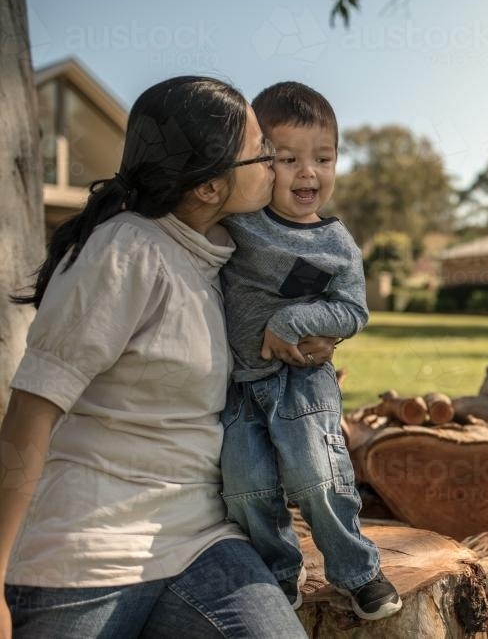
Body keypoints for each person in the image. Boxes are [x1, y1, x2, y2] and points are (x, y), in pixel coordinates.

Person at [0, 76, 336, 638]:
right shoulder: (125, 251)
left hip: (199, 537)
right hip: (87, 547)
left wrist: (311, 336)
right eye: (264, 155)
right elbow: (30, 413)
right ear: (207, 188)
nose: (280, 167)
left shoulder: (224, 253)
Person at [218, 82, 401, 621]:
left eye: (323, 158)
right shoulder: (239, 221)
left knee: (318, 476)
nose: (308, 173)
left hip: (302, 379)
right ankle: (276, 569)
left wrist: (292, 320)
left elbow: (353, 311)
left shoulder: (336, 244)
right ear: (260, 162)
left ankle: (357, 571)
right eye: (288, 158)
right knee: (245, 485)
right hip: (240, 382)